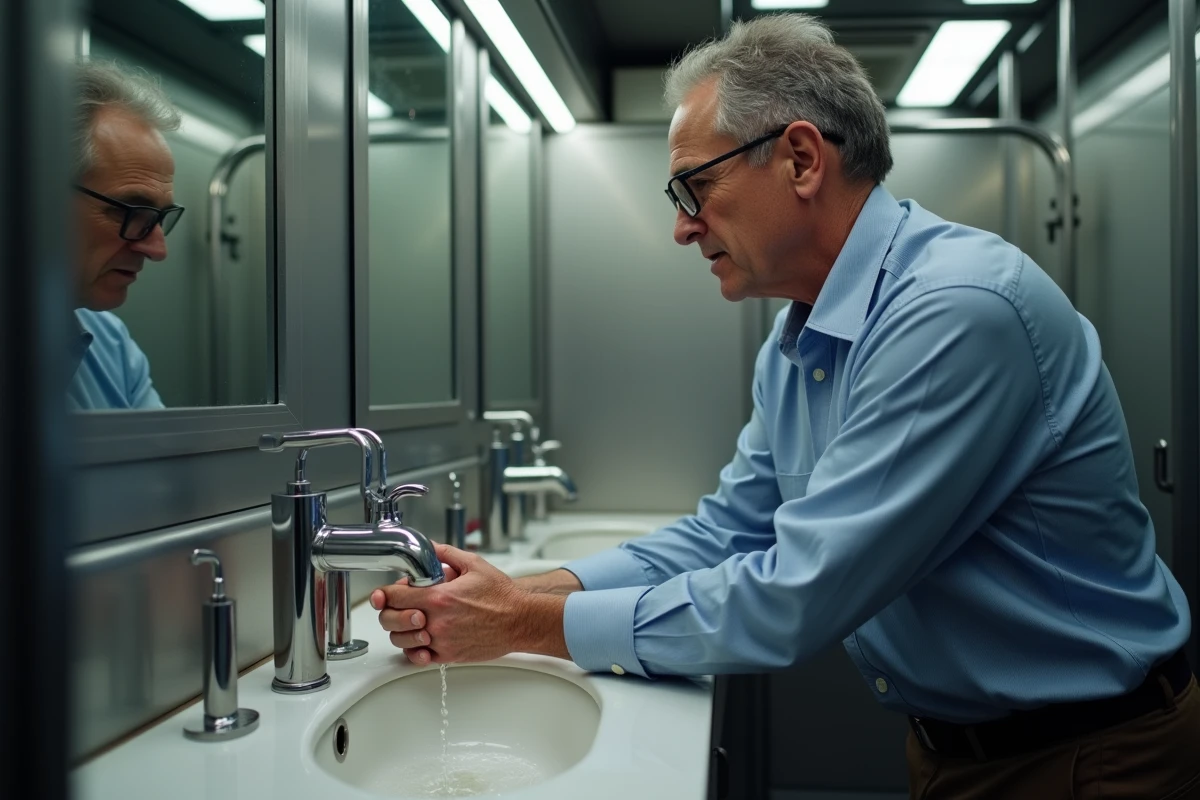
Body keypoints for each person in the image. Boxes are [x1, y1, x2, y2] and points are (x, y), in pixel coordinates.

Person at [370, 14, 1198, 798]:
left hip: (1088, 759)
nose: (683, 229)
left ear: (801, 159)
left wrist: (524, 624)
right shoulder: (801, 338)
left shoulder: (956, 311)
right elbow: (727, 532)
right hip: (961, 747)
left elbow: (797, 592)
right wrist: (523, 588)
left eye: (693, 188)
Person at [69, 58, 183, 410]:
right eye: (131, 210)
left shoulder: (108, 343)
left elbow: (159, 463)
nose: (157, 249)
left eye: (161, 217)